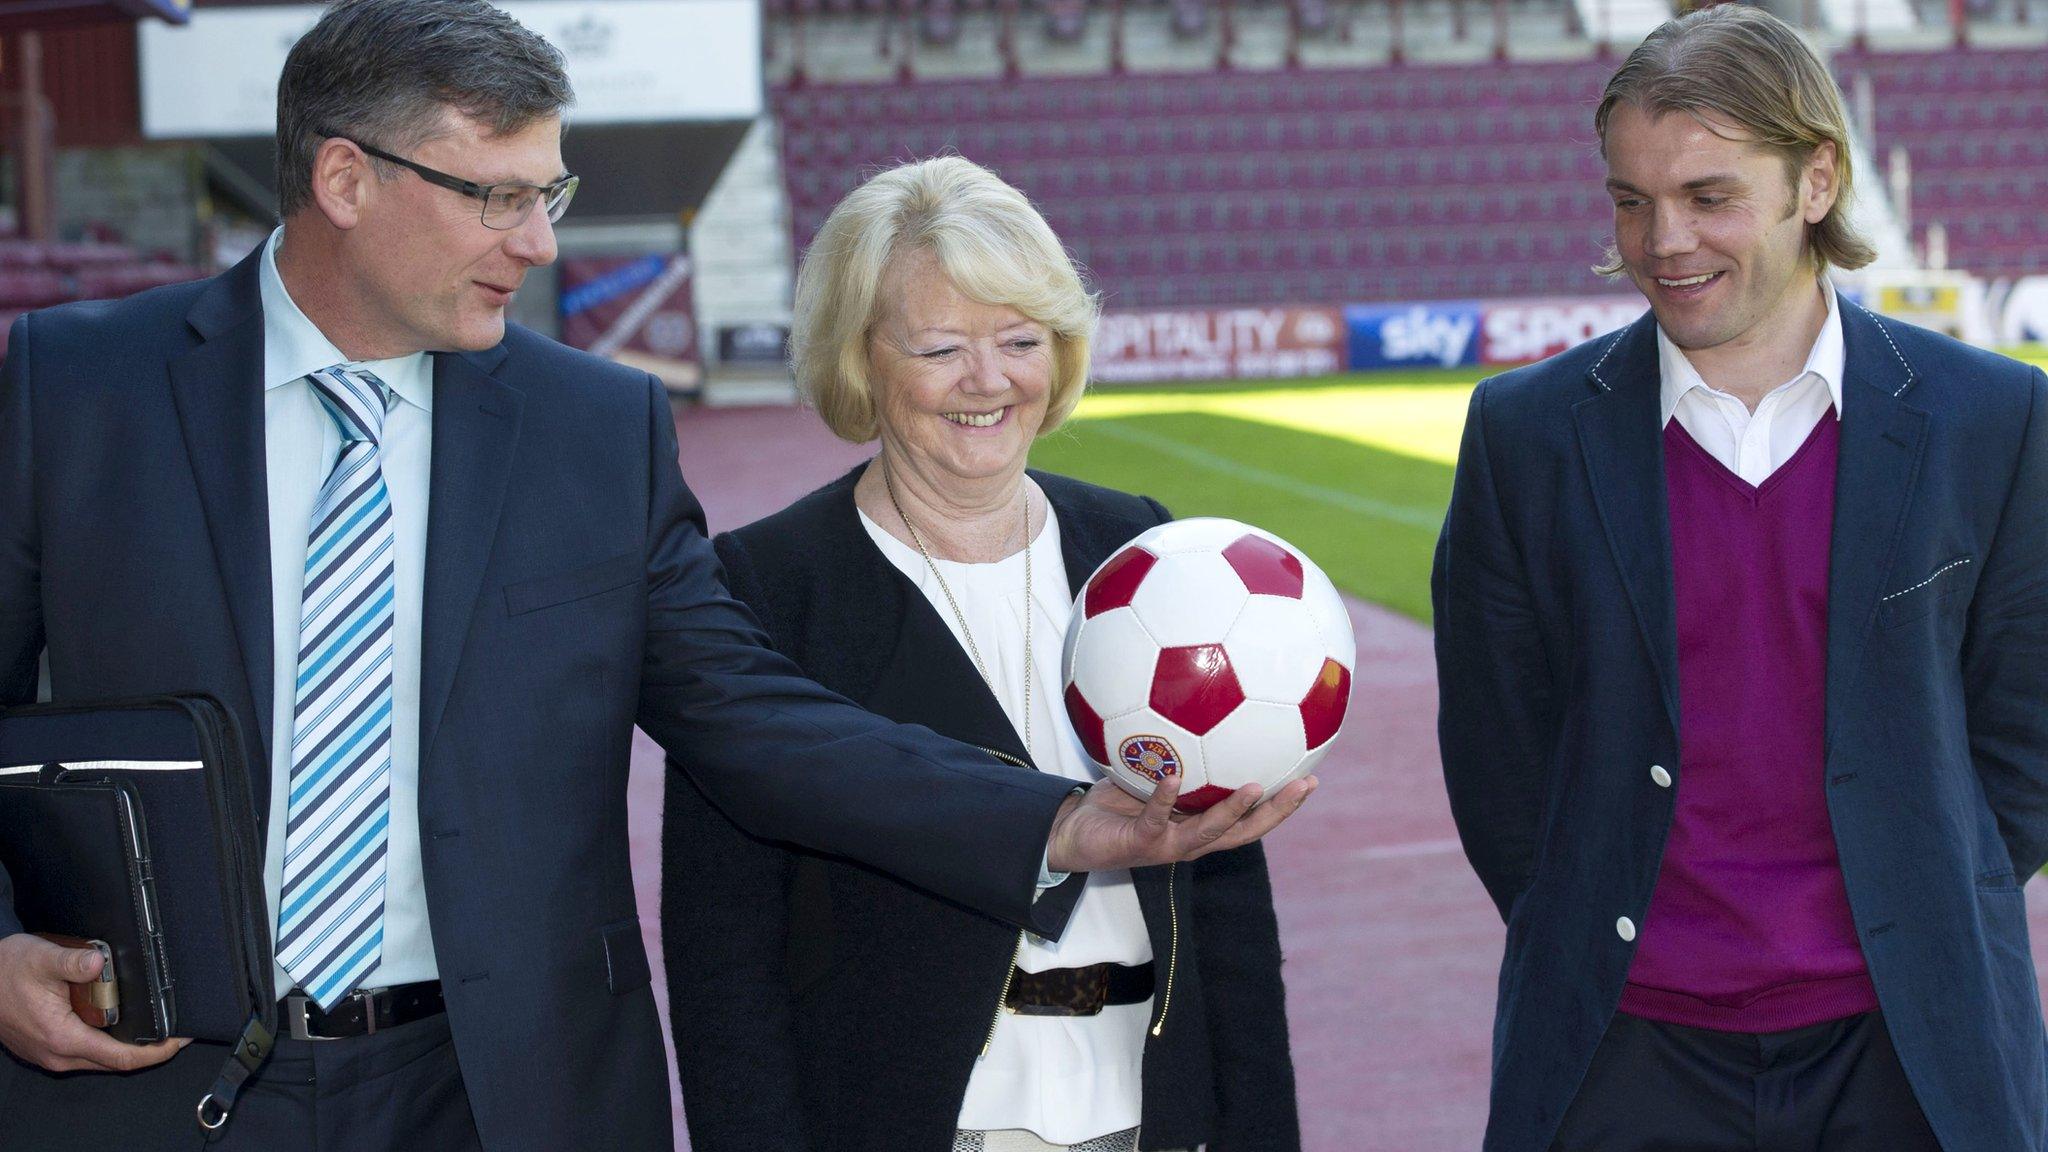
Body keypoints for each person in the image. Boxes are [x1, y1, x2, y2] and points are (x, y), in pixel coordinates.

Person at [0, 4, 1311, 1149]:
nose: (539, 240)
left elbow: (751, 716)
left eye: (547, 194)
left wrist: (1059, 824)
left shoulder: (595, 431)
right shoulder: (75, 389)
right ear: (347, 178)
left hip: (492, 1094)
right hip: (146, 1083)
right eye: (496, 196)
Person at [1433, 8, 2048, 1152]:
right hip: (1624, 1046)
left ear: (1813, 179)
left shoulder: (1993, 419)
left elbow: (2023, 742)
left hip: (1909, 1043)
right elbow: (1495, 756)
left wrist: (1918, 895)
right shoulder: (1523, 434)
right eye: (1629, 199)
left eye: (1706, 197)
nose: (1661, 240)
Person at [662, 156, 1301, 1152]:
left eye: (1017, 339)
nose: (986, 379)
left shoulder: (1147, 553)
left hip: (1155, 1112)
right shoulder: (762, 585)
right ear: (858, 359)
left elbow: (1226, 916)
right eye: (939, 346)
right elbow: (722, 961)